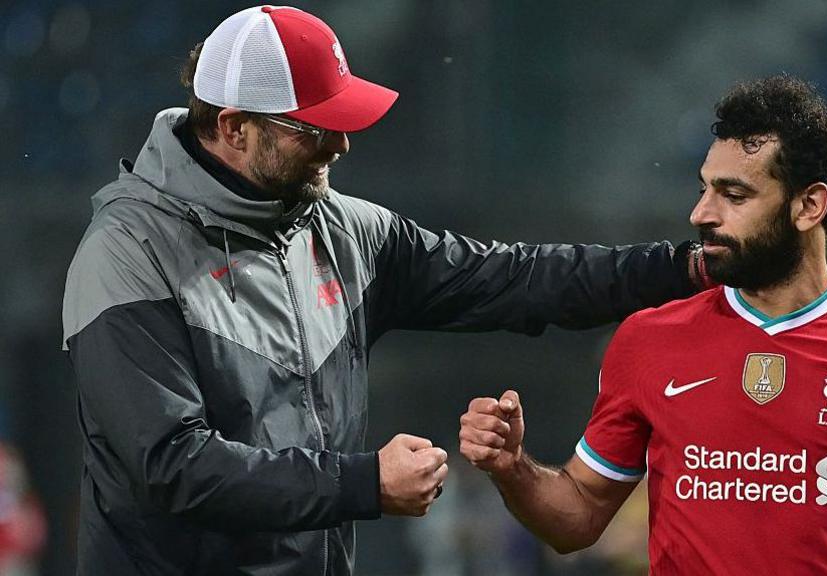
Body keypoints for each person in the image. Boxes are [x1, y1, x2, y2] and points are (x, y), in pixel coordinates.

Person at [60, 6, 711, 576]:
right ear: (234, 128)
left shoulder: (344, 229)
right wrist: (364, 482)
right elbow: (173, 466)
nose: (340, 144)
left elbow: (512, 277)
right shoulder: (127, 252)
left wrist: (679, 270)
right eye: (311, 129)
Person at [459, 75, 827, 575]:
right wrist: (514, 469)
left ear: (809, 205)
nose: (701, 213)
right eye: (705, 189)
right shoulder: (648, 339)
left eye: (734, 196)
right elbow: (577, 518)